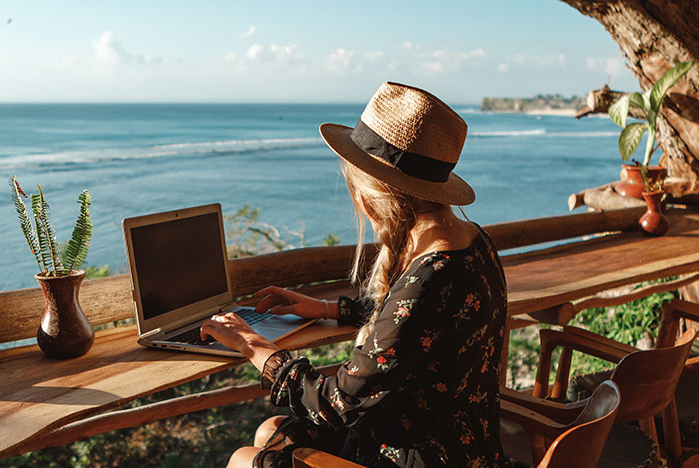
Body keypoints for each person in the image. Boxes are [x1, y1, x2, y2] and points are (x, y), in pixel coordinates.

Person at [200, 82, 510, 468]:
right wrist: (328, 309)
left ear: (370, 196)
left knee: (245, 458)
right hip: (462, 444)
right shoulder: (471, 241)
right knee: (270, 431)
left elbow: (338, 404)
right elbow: (417, 327)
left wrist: (254, 346)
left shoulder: (430, 278)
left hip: (415, 453)